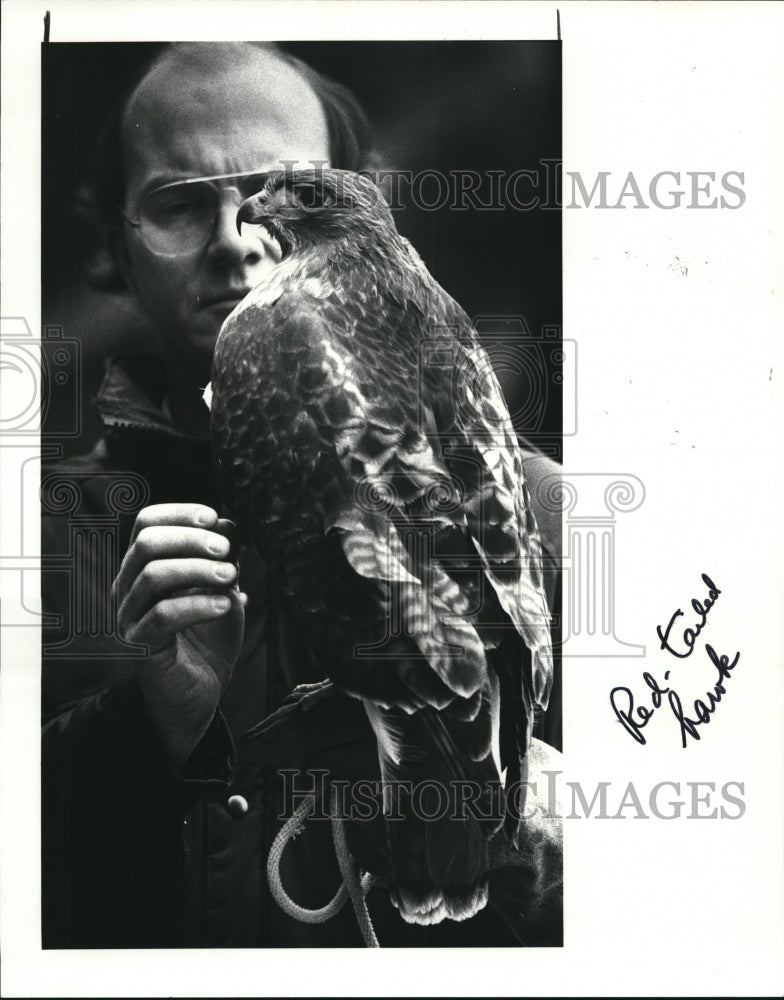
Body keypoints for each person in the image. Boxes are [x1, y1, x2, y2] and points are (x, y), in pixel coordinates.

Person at [41, 41, 562, 949]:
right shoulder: (51, 536)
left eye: (289, 189)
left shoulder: (547, 512)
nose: (238, 234)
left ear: (363, 197)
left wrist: (566, 842)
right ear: (107, 247)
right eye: (178, 203)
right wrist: (149, 732)